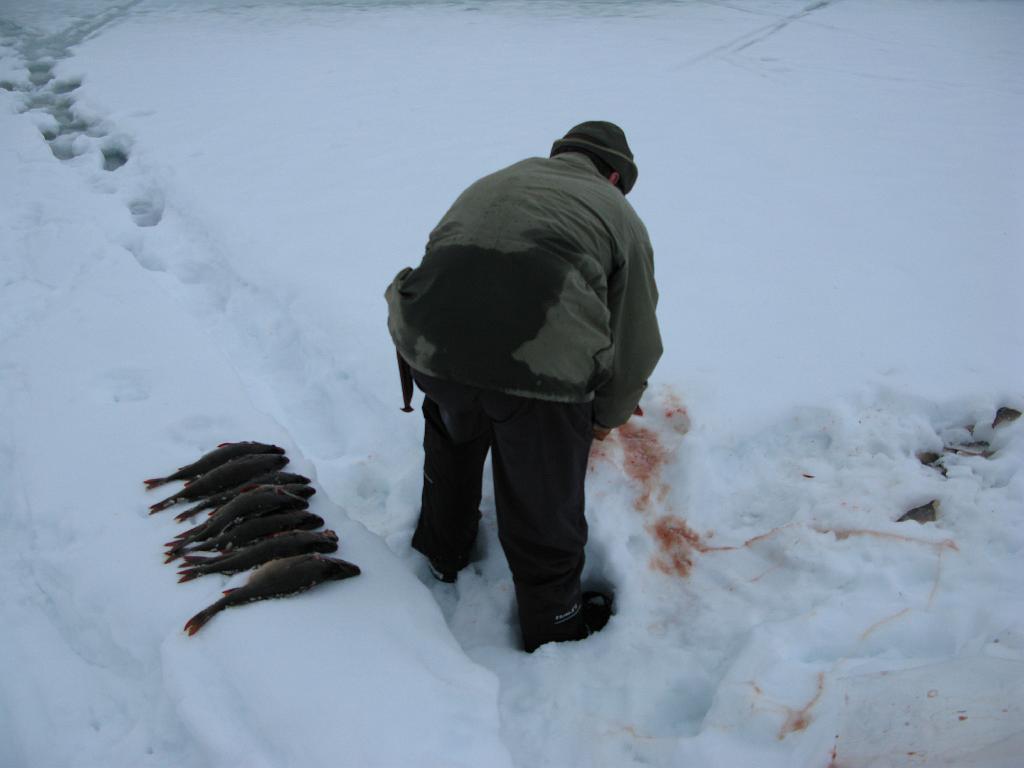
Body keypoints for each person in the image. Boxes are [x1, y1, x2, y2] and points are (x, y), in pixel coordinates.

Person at [385, 121, 662, 652]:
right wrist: (605, 417)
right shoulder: (619, 214)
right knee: (542, 496)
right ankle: (554, 620)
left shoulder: (496, 180)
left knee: (454, 434)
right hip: (537, 371)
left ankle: (443, 551)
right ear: (613, 175)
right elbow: (636, 343)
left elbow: (444, 261)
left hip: (429, 345)